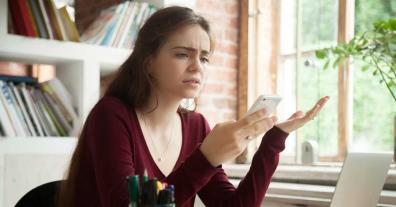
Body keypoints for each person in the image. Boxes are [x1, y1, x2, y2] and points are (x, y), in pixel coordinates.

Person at [58, 6, 329, 207]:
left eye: (204, 58)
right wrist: (206, 158)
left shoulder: (196, 126)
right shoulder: (111, 115)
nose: (196, 66)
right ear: (148, 61)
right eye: (182, 54)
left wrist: (273, 141)